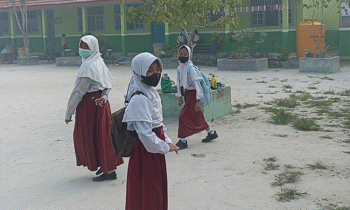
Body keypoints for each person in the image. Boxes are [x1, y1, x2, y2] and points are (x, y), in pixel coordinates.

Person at [123, 52, 179, 210]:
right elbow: (145, 135)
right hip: (146, 152)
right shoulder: (139, 99)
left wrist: (167, 141)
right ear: (139, 72)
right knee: (148, 191)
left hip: (155, 148)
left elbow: (158, 124)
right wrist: (165, 147)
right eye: (149, 71)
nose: (155, 74)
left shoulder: (151, 93)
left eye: (157, 70)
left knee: (155, 189)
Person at [65, 35, 124, 181]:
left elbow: (79, 91)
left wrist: (69, 111)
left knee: (95, 136)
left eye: (86, 47)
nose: (82, 49)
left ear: (93, 48)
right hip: (101, 104)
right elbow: (107, 85)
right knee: (101, 135)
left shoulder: (89, 67)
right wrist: (104, 97)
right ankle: (105, 166)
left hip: (91, 106)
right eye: (82, 46)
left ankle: (109, 171)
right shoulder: (99, 62)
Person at [175, 45, 218, 150]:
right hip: (187, 95)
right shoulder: (180, 69)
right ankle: (211, 133)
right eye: (181, 54)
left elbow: (198, 85)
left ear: (189, 55)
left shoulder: (191, 69)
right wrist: (180, 96)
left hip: (194, 95)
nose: (183, 56)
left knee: (183, 116)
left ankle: (183, 140)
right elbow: (179, 83)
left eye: (185, 54)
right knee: (197, 116)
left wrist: (198, 100)